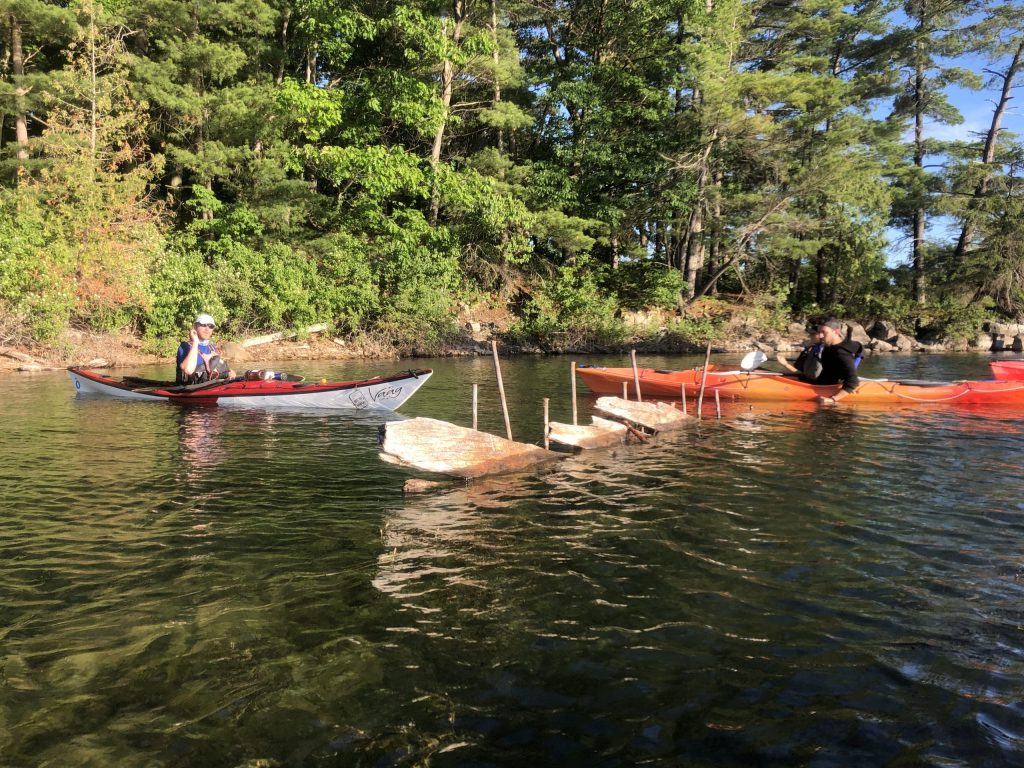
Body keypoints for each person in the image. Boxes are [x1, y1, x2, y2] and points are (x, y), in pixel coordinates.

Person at [776, 318, 862, 404]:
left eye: (824, 332)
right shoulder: (828, 348)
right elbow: (859, 348)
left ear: (836, 332)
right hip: (825, 383)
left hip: (836, 389)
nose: (820, 336)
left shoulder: (842, 353)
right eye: (819, 332)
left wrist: (833, 399)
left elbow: (853, 381)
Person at [176, 313, 234, 385]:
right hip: (189, 391)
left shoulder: (212, 347)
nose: (207, 329)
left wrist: (231, 373)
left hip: (212, 388)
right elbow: (188, 370)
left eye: (211, 326)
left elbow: (223, 368)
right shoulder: (184, 347)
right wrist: (195, 342)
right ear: (195, 327)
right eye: (203, 325)